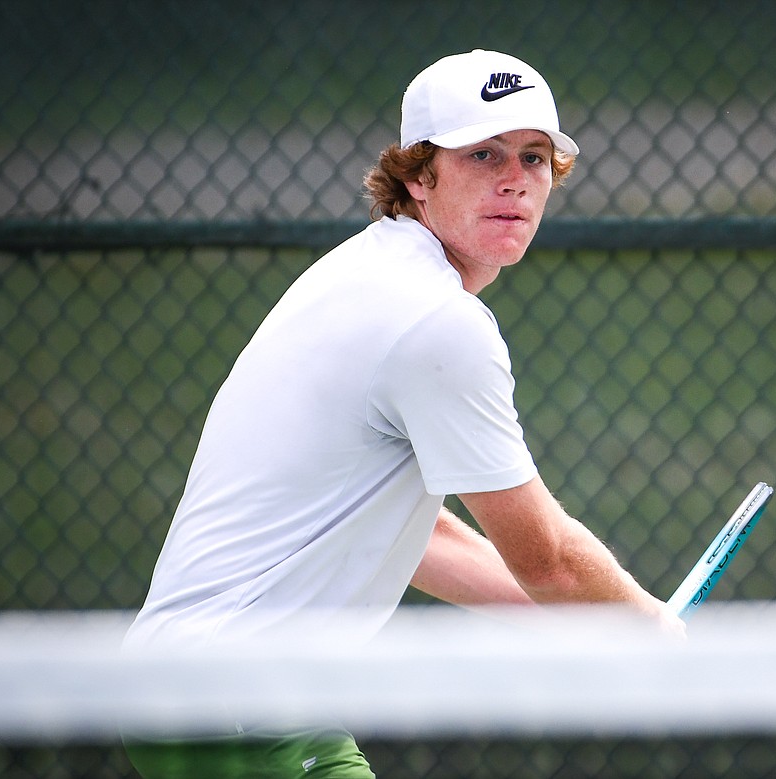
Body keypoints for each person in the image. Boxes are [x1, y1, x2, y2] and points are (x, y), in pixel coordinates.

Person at [123, 49, 684, 779]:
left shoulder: (362, 273)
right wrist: (650, 629)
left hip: (197, 695)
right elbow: (546, 558)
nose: (516, 177)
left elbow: (418, 536)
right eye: (483, 154)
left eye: (536, 157)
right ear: (420, 176)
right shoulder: (435, 321)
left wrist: (585, 623)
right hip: (238, 702)